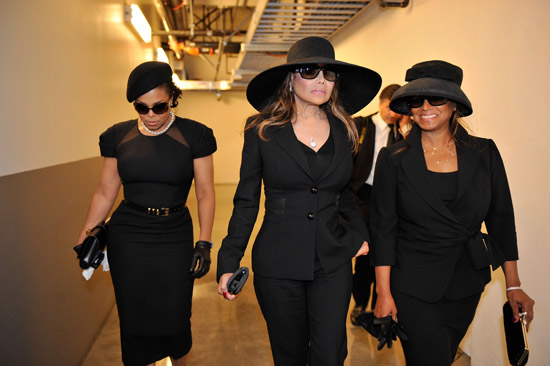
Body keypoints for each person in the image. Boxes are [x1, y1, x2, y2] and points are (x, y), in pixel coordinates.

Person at [216, 36, 381, 366]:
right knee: (289, 355)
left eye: (329, 73)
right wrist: (228, 260)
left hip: (332, 261)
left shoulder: (344, 129)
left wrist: (361, 235)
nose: (321, 79)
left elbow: (344, 192)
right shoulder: (262, 130)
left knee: (330, 353)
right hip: (278, 262)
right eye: (309, 70)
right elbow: (246, 200)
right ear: (290, 79)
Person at [369, 60, 535, 365]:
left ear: (454, 104)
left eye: (437, 98)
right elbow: (382, 229)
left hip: (465, 284)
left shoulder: (484, 152)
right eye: (416, 100)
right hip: (412, 286)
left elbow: (501, 220)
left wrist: (513, 285)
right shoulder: (393, 158)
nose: (425, 107)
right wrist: (383, 292)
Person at [75, 61, 216, 366]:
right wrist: (87, 234)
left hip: (175, 233)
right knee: (135, 318)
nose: (151, 115)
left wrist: (204, 243)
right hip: (129, 235)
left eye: (159, 106)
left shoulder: (195, 135)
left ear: (173, 98)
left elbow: (205, 192)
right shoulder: (117, 137)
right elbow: (105, 191)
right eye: (142, 108)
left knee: (176, 318)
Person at [349, 84, 409, 324]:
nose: (393, 113)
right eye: (390, 107)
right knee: (364, 254)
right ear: (381, 103)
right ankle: (360, 303)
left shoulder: (402, 133)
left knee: (385, 251)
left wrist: (404, 127)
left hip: (389, 199)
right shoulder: (361, 125)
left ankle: (379, 306)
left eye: (398, 109)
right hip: (361, 196)